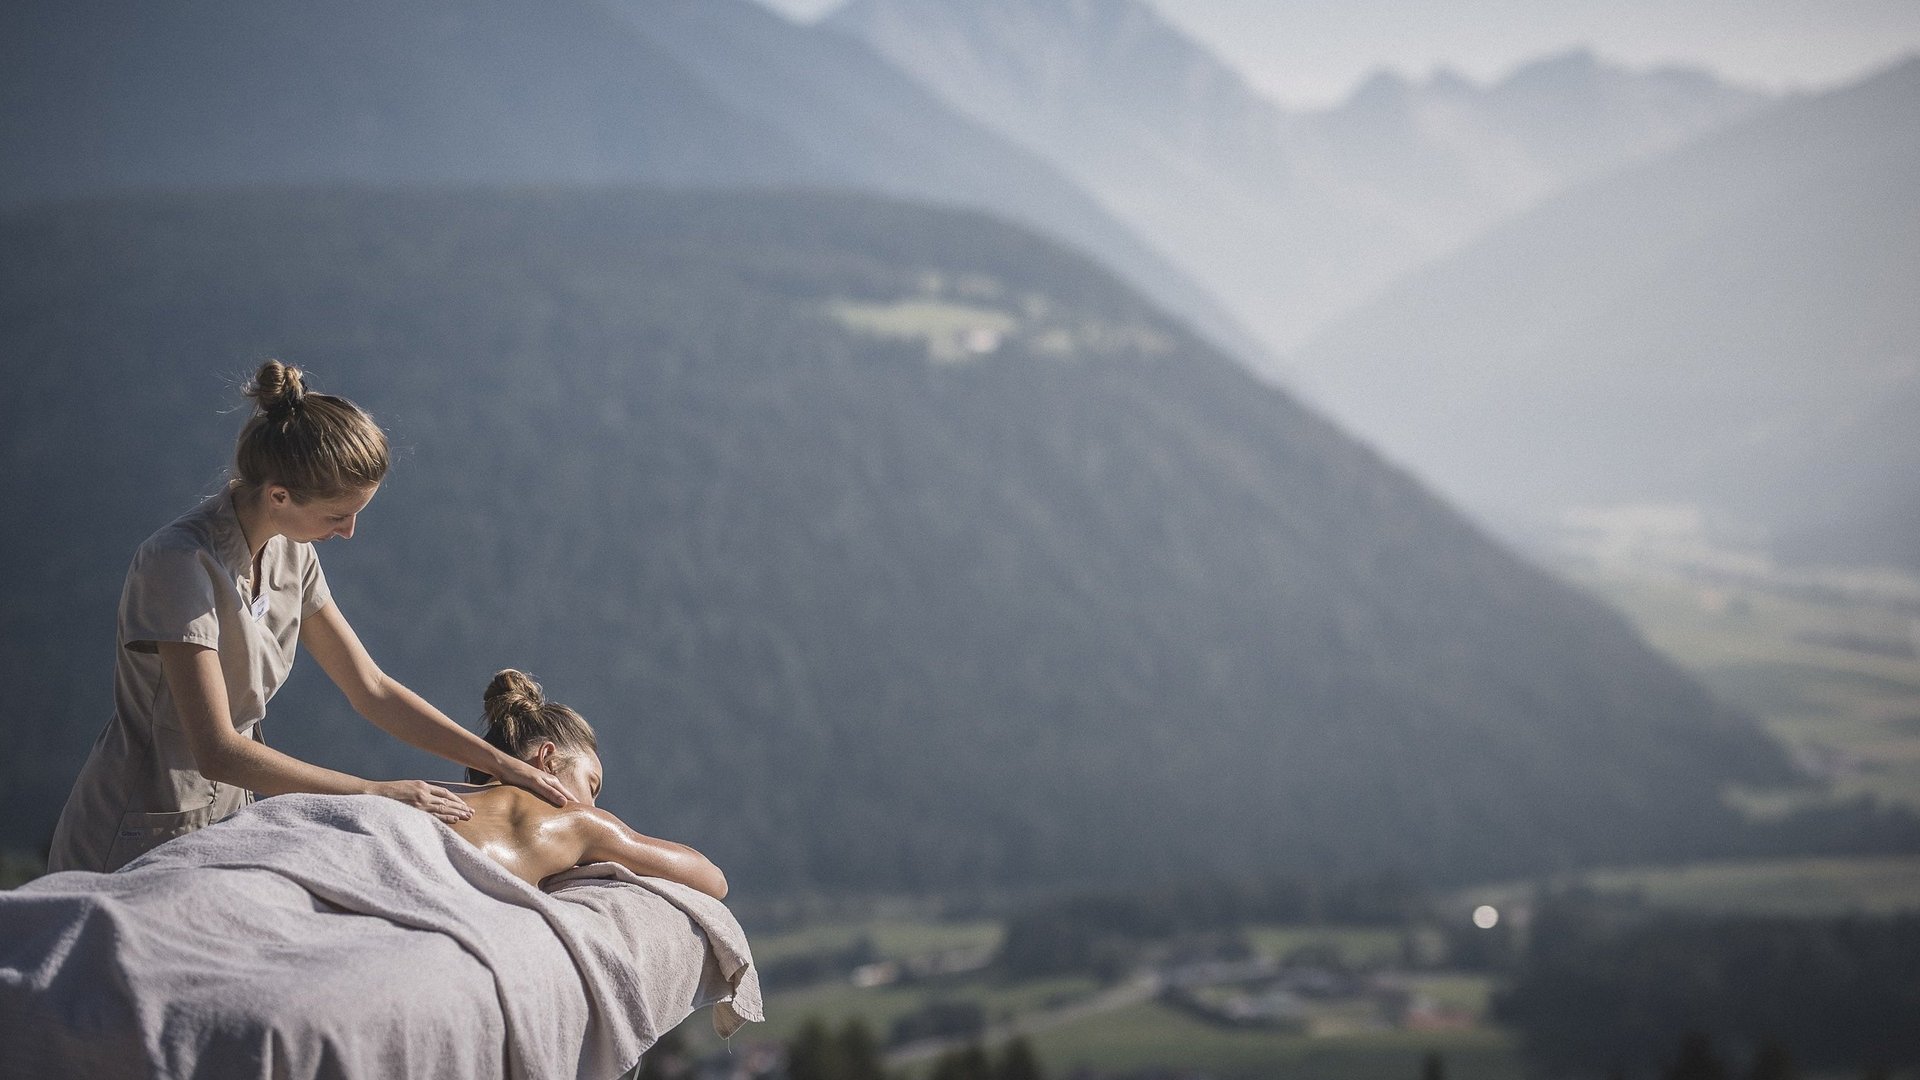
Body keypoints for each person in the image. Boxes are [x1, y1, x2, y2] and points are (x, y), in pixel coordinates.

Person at [47, 360, 572, 873]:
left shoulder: (290, 552)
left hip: (224, 825)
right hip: (133, 834)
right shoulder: (178, 565)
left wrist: (500, 765)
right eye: (337, 515)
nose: (348, 532)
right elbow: (218, 750)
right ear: (279, 495)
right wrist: (375, 793)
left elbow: (371, 687)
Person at [447, 669, 727, 899]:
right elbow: (713, 880)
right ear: (549, 761)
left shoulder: (432, 793)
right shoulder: (576, 822)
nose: (592, 806)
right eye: (591, 786)